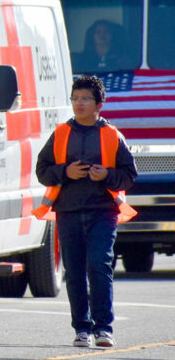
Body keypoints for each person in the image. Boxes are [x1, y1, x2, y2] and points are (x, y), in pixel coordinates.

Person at [34, 75, 137, 349]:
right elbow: (42, 170)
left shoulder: (112, 135)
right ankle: (82, 329)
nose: (79, 104)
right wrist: (64, 172)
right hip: (67, 212)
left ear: (99, 104)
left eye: (85, 99)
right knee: (75, 271)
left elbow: (129, 175)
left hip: (102, 212)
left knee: (99, 265)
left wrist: (106, 175)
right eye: (75, 99)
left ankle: (104, 328)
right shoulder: (60, 133)